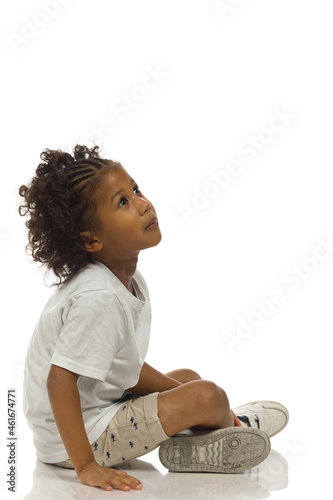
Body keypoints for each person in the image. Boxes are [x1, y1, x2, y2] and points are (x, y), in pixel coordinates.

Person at [19, 144, 289, 492]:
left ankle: (201, 438)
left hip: (99, 411)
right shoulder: (98, 297)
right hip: (78, 440)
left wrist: (187, 393)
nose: (143, 203)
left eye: (135, 190)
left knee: (191, 380)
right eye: (123, 202)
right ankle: (232, 426)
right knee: (207, 396)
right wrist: (86, 466)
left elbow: (125, 371)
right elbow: (59, 381)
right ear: (91, 240)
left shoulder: (125, 281)